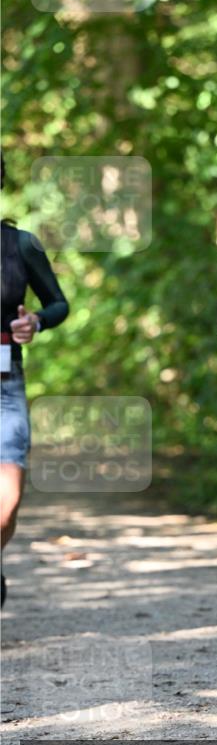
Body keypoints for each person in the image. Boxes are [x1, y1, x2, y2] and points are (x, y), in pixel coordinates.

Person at [1, 154, 69, 605]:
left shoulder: (22, 244)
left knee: (5, 509)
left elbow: (58, 303)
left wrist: (37, 323)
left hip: (6, 385)